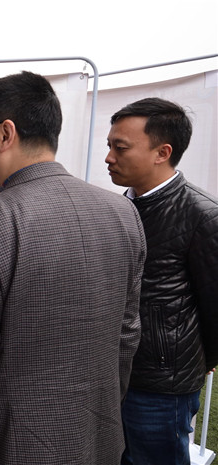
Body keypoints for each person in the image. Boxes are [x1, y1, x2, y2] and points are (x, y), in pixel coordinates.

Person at [0, 71, 147, 465]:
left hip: (14, 445)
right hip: (98, 434)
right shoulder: (122, 213)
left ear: (6, 133)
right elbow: (126, 335)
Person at [104, 97, 218, 465]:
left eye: (120, 148)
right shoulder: (115, 209)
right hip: (110, 372)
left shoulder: (203, 216)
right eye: (109, 145)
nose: (108, 157)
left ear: (162, 152)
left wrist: (197, 360)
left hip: (161, 386)